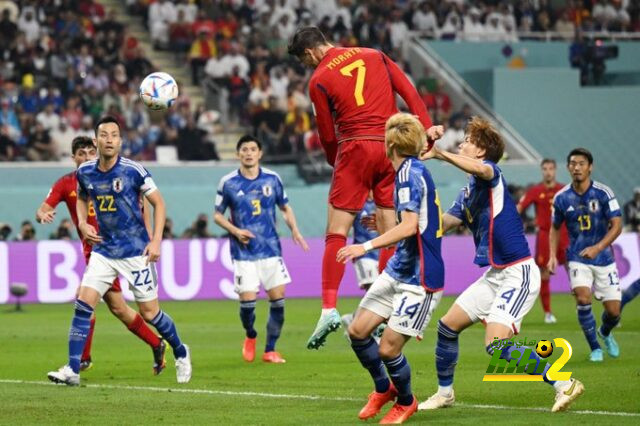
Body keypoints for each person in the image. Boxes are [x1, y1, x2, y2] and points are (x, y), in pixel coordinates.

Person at [288, 26, 443, 349]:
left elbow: (327, 134)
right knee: (390, 227)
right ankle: (386, 308)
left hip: (355, 147)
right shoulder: (374, 55)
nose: (308, 67)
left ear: (309, 53)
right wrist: (427, 127)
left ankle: (328, 308)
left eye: (305, 62)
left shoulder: (318, 79)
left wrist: (339, 163)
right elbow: (409, 92)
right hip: (391, 149)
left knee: (337, 231)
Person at [419, 117, 583, 413]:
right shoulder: (467, 193)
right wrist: (409, 224)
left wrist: (440, 154)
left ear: (481, 151)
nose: (462, 143)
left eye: (468, 141)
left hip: (518, 272)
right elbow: (445, 224)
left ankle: (564, 383)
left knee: (496, 345)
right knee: (446, 327)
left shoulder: (492, 173)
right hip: (496, 274)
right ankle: (445, 393)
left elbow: (481, 170)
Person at [47, 116, 192, 386]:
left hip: (136, 251)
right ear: (96, 140)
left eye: (114, 135)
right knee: (83, 304)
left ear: (120, 141)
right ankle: (73, 368)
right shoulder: (86, 171)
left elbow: (158, 204)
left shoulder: (134, 170)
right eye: (104, 135)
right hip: (103, 250)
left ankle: (181, 351)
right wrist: (81, 222)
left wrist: (156, 240)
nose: (109, 139)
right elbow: (81, 196)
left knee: (150, 313)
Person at [337, 113, 445, 424]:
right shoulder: (406, 172)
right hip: (399, 268)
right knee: (357, 331)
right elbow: (413, 222)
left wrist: (366, 245)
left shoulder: (409, 174)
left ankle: (407, 401)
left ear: (391, 143)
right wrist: (386, 226)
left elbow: (410, 226)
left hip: (420, 277)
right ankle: (384, 388)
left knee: (387, 349)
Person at [36, 136, 166, 374]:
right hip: (94, 252)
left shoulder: (111, 175)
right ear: (73, 157)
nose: (86, 157)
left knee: (85, 301)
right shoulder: (66, 183)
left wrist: (148, 233)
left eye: (90, 153)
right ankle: (156, 344)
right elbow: (43, 208)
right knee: (118, 309)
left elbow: (142, 200)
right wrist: (43, 214)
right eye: (81, 154)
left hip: (111, 251)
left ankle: (81, 360)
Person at [214, 135, 309, 364]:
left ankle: (270, 350)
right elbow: (217, 215)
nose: (248, 153)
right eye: (244, 149)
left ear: (260, 153)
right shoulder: (228, 182)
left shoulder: (272, 179)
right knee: (247, 304)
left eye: (253, 149)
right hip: (243, 252)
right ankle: (251, 334)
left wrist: (295, 230)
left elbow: (285, 208)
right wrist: (235, 231)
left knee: (278, 301)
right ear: (238, 154)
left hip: (271, 249)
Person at [549, 148, 623, 362]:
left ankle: (605, 333)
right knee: (582, 296)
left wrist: (598, 248)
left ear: (590, 167)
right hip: (577, 257)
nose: (577, 167)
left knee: (614, 312)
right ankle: (595, 348)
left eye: (581, 163)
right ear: (568, 168)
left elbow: (617, 226)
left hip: (604, 259)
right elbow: (555, 228)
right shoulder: (562, 197)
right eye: (573, 164)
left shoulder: (603, 193)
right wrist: (553, 256)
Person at [517, 159, 569, 323]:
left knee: (574, 270)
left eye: (551, 169)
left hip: (565, 235)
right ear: (542, 171)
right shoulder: (535, 191)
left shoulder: (564, 190)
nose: (548, 172)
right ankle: (548, 313)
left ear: (555, 170)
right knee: (544, 274)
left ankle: (581, 306)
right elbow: (519, 208)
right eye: (545, 169)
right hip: (545, 236)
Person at [341, 195, 381, 332]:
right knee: (373, 291)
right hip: (363, 255)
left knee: (377, 293)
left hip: (378, 254)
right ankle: (365, 325)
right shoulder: (357, 204)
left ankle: (353, 318)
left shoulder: (379, 204)